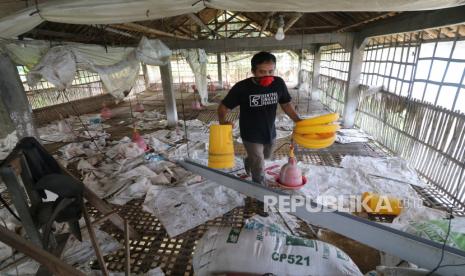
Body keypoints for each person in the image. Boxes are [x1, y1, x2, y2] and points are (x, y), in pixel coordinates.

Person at [218, 51, 301, 185]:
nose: (267, 75)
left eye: (270, 71)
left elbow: (285, 104)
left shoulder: (278, 83)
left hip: (269, 130)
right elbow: (223, 107)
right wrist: (223, 121)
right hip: (250, 132)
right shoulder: (242, 87)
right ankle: (260, 190)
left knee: (267, 155)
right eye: (262, 72)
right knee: (259, 164)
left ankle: (248, 160)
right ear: (253, 71)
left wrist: (298, 120)